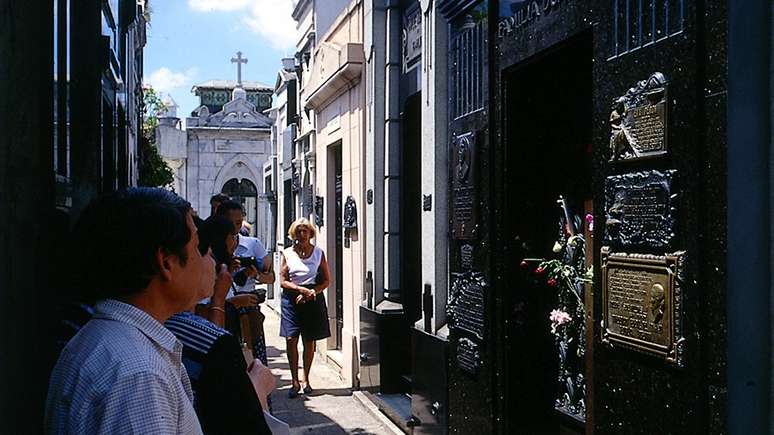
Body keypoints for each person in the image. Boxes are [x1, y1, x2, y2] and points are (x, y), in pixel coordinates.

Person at [45, 188, 209, 434]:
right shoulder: (140, 375)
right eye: (197, 247)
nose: (204, 259)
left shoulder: (109, 339)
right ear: (166, 262)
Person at [165, 215, 275, 435]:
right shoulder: (202, 338)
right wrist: (256, 390)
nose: (209, 259)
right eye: (199, 249)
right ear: (167, 262)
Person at [279, 218, 331, 398]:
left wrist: (311, 292)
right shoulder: (287, 253)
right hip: (291, 299)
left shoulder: (318, 253)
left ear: (310, 234)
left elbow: (326, 280)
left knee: (309, 341)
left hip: (313, 298)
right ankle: (294, 381)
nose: (302, 235)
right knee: (291, 338)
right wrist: (299, 289)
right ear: (294, 234)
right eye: (299, 231)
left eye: (305, 231)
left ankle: (306, 379)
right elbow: (283, 280)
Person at [216, 200, 275, 296]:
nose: (234, 228)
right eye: (230, 223)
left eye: (239, 223)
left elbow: (271, 277)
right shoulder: (210, 247)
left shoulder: (254, 244)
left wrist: (255, 274)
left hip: (247, 300)